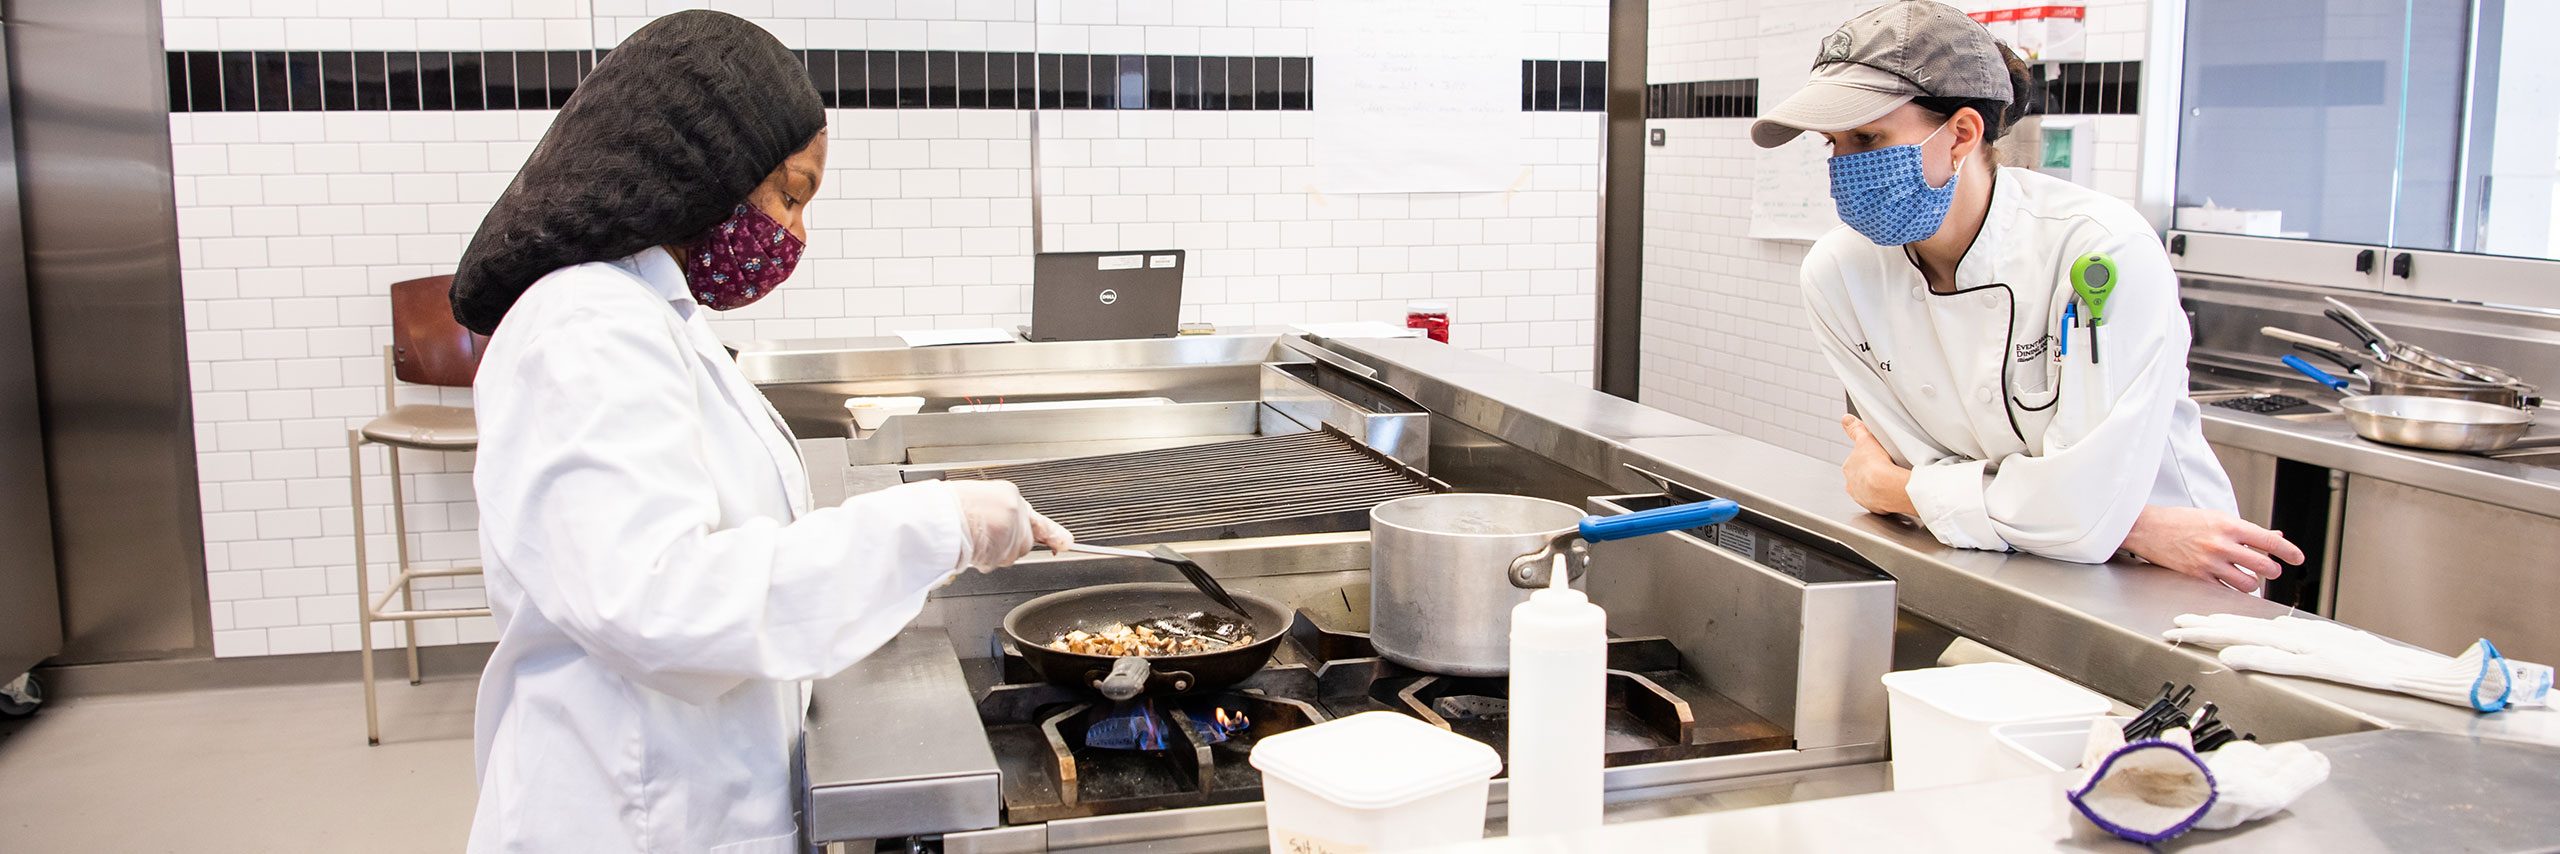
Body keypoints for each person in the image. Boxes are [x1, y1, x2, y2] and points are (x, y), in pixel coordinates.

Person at [448, 12, 1072, 853]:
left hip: (700, 792)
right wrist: (933, 525)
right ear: (699, 162)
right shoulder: (583, 331)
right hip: (630, 814)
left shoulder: (656, 318)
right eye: (790, 194)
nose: (796, 233)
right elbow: (660, 604)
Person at [1752, 1, 2303, 592]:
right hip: (2002, 564)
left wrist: (1898, 490)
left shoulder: (2098, 250)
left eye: (1868, 137)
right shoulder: (1839, 273)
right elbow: (1937, 471)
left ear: (1962, 132)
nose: (1845, 166)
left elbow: (1915, 486)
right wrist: (2122, 523)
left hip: (2165, 579)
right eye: (1831, 144)